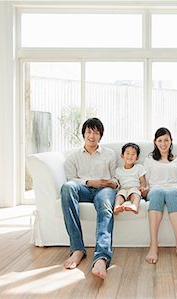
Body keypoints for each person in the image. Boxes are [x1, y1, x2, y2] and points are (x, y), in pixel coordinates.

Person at [60, 118, 118, 280]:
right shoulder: (73, 158)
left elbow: (115, 177)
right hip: (83, 189)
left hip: (104, 190)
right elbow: (70, 179)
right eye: (89, 132)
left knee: (105, 205)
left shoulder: (110, 154)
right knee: (67, 187)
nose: (92, 136)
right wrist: (88, 182)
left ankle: (101, 258)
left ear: (101, 135)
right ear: (83, 134)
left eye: (96, 132)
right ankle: (77, 249)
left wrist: (112, 183)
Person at [142, 127, 177, 265]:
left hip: (174, 190)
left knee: (171, 194)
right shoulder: (149, 160)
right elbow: (146, 182)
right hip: (155, 190)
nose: (163, 144)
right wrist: (144, 190)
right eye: (160, 140)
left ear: (171, 141)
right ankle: (153, 246)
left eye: (166, 140)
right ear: (155, 142)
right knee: (157, 192)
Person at [114, 142, 147, 215]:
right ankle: (117, 207)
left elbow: (143, 181)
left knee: (135, 193)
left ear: (137, 157)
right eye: (127, 153)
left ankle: (134, 206)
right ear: (122, 155)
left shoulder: (139, 167)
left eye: (133, 154)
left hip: (135, 188)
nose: (130, 156)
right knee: (120, 195)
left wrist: (142, 188)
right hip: (123, 189)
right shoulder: (118, 170)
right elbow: (116, 183)